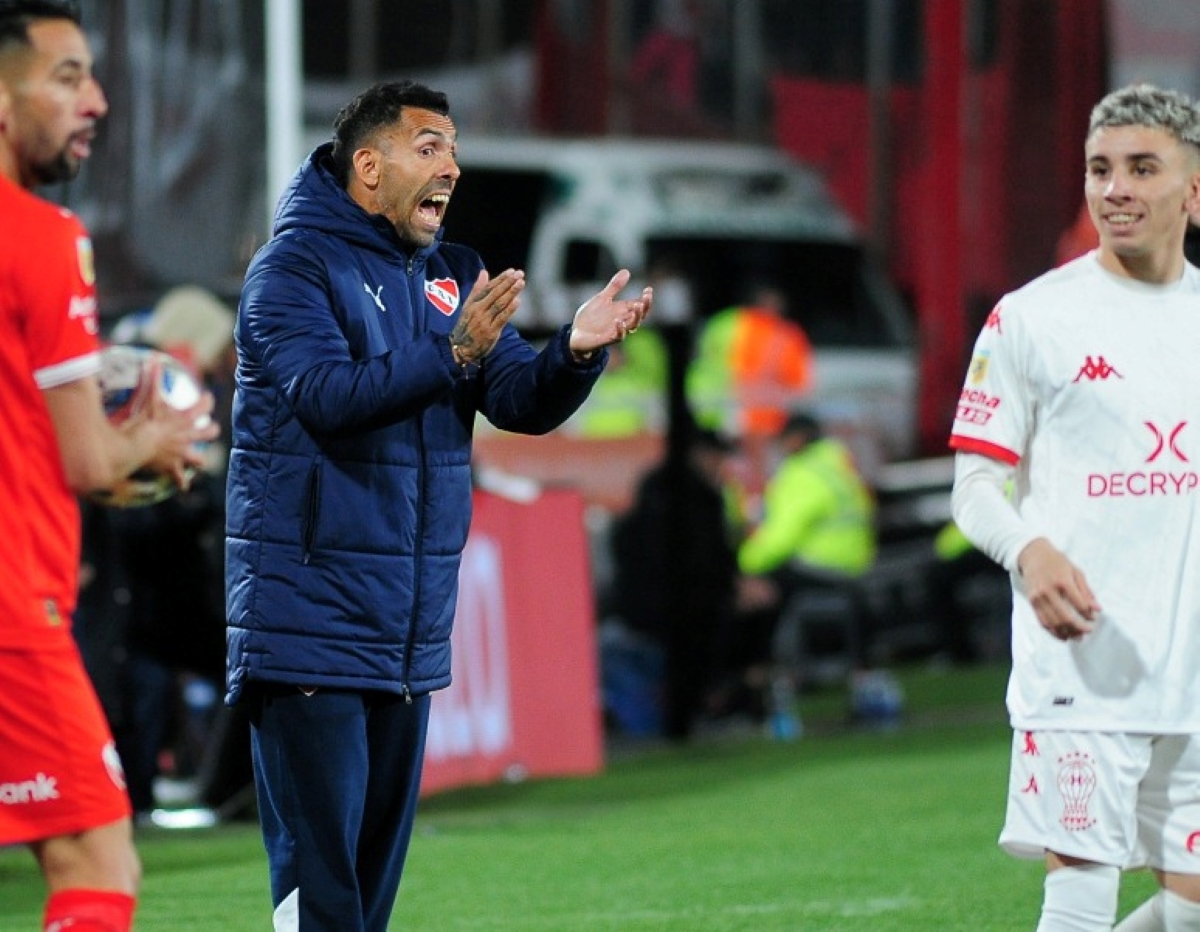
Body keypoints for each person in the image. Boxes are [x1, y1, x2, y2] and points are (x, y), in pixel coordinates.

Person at [224, 79, 652, 932]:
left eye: (453, 149)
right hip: (308, 625)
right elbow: (326, 396)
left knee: (369, 896)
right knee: (325, 897)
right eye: (430, 148)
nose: (451, 167)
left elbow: (517, 399)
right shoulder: (292, 269)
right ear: (370, 166)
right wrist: (450, 352)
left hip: (406, 630)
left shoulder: (454, 273)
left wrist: (572, 350)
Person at [948, 83, 1200, 932]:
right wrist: (1030, 551)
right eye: (1099, 169)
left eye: (1141, 168)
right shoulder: (1033, 319)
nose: (1114, 188)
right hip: (1086, 666)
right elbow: (975, 487)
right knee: (1083, 893)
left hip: (1194, 668)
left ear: (1193, 194)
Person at [0, 3, 217, 930]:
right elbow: (89, 461)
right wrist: (159, 440)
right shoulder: (44, 240)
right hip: (12, 607)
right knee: (96, 853)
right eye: (66, 77)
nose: (95, 100)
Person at [719, 411, 877, 732]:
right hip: (851, 565)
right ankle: (759, 678)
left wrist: (739, 568)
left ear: (794, 439)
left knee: (754, 597)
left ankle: (756, 682)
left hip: (819, 566)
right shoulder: (837, 465)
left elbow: (779, 538)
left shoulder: (802, 474)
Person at [605, 425, 739, 738]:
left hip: (649, 606)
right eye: (716, 457)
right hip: (670, 610)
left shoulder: (659, 488)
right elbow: (703, 561)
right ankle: (707, 705)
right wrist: (731, 587)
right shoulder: (697, 498)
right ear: (698, 455)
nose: (720, 466)